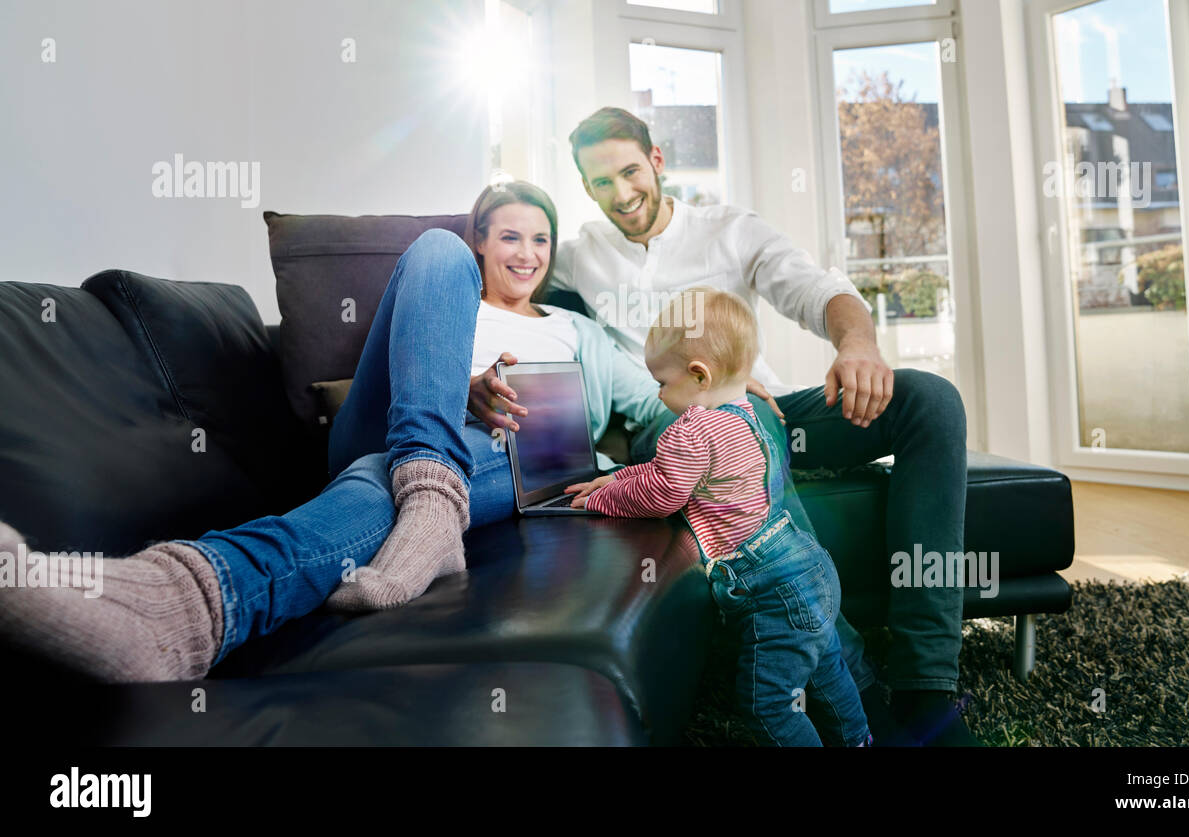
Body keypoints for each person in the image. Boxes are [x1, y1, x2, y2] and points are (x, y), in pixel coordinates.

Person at [0, 181, 667, 682]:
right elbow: (418, 358)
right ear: (483, 244)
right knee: (431, 252)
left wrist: (724, 401)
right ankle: (433, 506)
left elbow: (659, 405)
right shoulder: (448, 284)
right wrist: (459, 391)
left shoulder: (578, 331)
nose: (527, 253)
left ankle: (186, 604)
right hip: (403, 425)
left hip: (522, 446)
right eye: (510, 236)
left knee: (382, 480)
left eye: (541, 239)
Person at [551, 106, 978, 746]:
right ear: (585, 188)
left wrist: (856, 346)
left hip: (770, 410)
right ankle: (860, 691)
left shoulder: (729, 230)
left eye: (630, 171)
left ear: (658, 161)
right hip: (666, 433)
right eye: (600, 182)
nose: (621, 193)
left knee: (930, 401)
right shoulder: (574, 258)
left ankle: (924, 686)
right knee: (739, 432)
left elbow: (818, 289)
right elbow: (509, 284)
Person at [567, 287, 870, 747]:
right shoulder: (745, 414)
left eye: (662, 383)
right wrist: (618, 477)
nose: (659, 393)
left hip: (775, 591)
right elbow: (664, 473)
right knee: (829, 673)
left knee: (767, 703)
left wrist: (601, 499)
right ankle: (860, 739)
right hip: (809, 564)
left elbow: (663, 492)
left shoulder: (690, 431)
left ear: (698, 375)